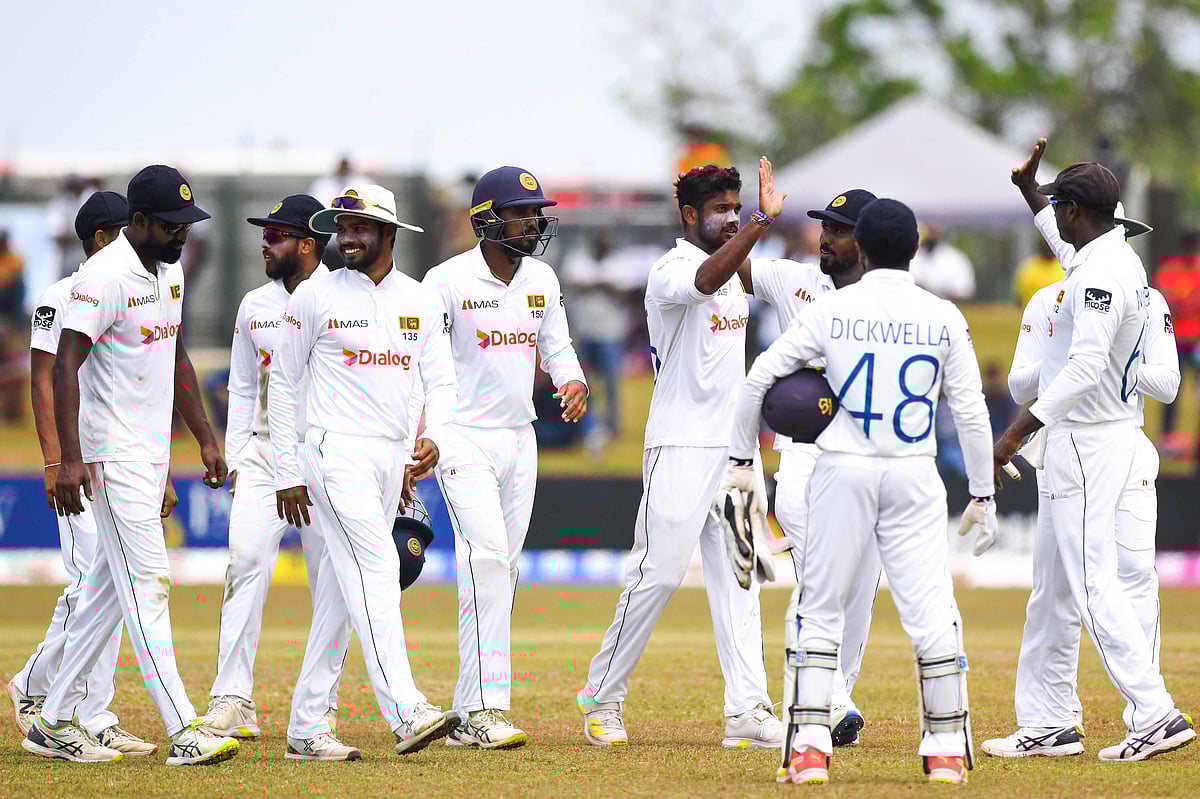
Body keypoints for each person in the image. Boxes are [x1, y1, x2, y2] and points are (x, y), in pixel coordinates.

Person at [730, 199, 994, 785]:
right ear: (916, 250)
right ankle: (946, 748)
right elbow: (972, 413)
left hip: (843, 466)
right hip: (913, 472)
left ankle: (809, 748)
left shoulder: (833, 308)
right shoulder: (942, 315)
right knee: (930, 611)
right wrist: (982, 494)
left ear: (865, 248)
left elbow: (759, 380)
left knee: (819, 609)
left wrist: (739, 464)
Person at [26, 165, 239, 766]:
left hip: (147, 456)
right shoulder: (103, 276)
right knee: (148, 583)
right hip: (108, 458)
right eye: (172, 227)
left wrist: (204, 439)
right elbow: (64, 365)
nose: (182, 237)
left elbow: (174, 362)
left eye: (187, 226)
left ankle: (52, 719)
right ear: (138, 222)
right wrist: (66, 459)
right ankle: (185, 729)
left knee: (103, 595)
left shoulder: (167, 274)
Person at [986, 140, 1188, 759]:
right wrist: (1030, 192)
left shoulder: (1098, 273)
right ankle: (1048, 722)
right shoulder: (1114, 259)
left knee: (1092, 581)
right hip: (1110, 437)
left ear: (1076, 210)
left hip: (1083, 441)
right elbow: (1067, 246)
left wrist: (1019, 429)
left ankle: (1154, 715)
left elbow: (1084, 367)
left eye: (1057, 207)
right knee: (1054, 588)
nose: (1057, 220)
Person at [577, 159, 785, 750]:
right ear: (690, 216)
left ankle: (747, 710)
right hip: (680, 445)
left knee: (742, 581)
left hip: (735, 453)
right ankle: (602, 699)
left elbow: (733, 277)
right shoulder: (671, 269)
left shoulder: (737, 271)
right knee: (658, 574)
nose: (730, 219)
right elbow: (704, 282)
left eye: (735, 209)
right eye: (719, 210)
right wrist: (761, 224)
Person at [270, 183, 459, 760]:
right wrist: (286, 468)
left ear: (389, 234)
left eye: (359, 229)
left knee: (338, 590)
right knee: (377, 568)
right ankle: (406, 711)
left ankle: (306, 725)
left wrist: (433, 441)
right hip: (332, 450)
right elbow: (283, 381)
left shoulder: (420, 299)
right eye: (341, 228)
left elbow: (441, 382)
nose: (346, 238)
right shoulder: (315, 295)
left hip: (389, 456)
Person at [420, 166, 587, 749]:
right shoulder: (444, 282)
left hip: (521, 438)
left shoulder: (541, 276)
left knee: (500, 574)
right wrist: (429, 435)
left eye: (536, 211)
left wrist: (572, 381)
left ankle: (468, 714)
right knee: (488, 561)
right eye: (521, 211)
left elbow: (557, 346)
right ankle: (489, 707)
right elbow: (427, 369)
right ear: (486, 220)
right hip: (462, 436)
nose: (533, 221)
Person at [7, 191, 156, 757]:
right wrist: (53, 459)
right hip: (76, 464)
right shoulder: (59, 296)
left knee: (110, 586)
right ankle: (52, 698)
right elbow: (42, 378)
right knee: (89, 587)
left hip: (117, 462)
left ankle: (86, 710)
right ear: (102, 237)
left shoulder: (137, 290)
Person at [733, 189, 882, 756]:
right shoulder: (793, 280)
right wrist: (758, 217)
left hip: (868, 458)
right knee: (820, 571)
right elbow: (728, 264)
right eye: (824, 226)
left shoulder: (890, 298)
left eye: (839, 230)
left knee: (859, 590)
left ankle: (824, 698)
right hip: (803, 453)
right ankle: (833, 701)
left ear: (865, 241)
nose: (826, 238)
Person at [201, 195, 348, 740]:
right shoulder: (253, 305)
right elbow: (241, 384)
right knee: (244, 561)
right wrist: (239, 453)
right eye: (265, 235)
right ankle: (232, 698)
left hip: (329, 457)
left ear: (308, 245)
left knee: (332, 586)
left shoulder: (344, 296)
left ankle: (321, 707)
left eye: (277, 236)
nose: (265, 244)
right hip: (265, 457)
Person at [561, 231, 625, 456]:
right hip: (584, 331)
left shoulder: (618, 263)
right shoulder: (580, 260)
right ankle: (586, 425)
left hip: (610, 332)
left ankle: (613, 425)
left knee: (610, 381)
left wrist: (596, 284)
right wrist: (601, 284)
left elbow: (623, 292)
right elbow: (574, 284)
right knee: (583, 382)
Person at [909, 225, 975, 300]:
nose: (930, 235)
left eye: (933, 231)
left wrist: (938, 290)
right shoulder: (912, 256)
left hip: (946, 307)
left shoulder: (955, 259)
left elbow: (965, 291)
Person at [1014, 240, 1062, 308]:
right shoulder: (1028, 268)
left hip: (1057, 314)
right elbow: (1019, 299)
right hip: (1033, 314)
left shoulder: (1063, 266)